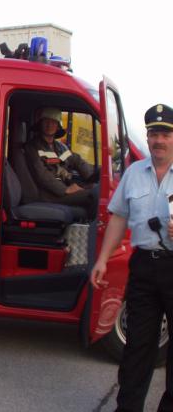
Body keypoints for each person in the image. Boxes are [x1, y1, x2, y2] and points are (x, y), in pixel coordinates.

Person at [91, 103, 173, 412]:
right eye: (153, 133)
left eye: (165, 134)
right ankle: (127, 407)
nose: (158, 140)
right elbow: (118, 218)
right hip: (143, 267)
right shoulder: (134, 172)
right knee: (138, 345)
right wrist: (102, 259)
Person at [24, 107, 97, 214]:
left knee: (96, 188)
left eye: (53, 122)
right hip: (50, 195)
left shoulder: (60, 147)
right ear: (40, 124)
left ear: (58, 126)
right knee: (94, 196)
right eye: (46, 121)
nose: (49, 125)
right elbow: (41, 174)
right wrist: (65, 190)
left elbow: (77, 160)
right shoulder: (32, 147)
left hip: (63, 189)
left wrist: (91, 177)